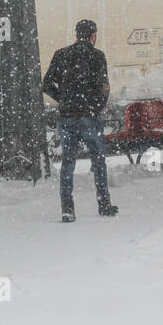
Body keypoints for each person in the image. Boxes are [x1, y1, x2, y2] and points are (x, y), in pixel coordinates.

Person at [42, 19, 118, 222]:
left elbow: (47, 84)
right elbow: (104, 88)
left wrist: (65, 100)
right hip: (89, 116)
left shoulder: (61, 54)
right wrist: (95, 107)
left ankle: (67, 209)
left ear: (77, 35)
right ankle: (104, 204)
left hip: (67, 117)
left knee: (68, 162)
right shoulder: (97, 56)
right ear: (93, 36)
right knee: (98, 161)